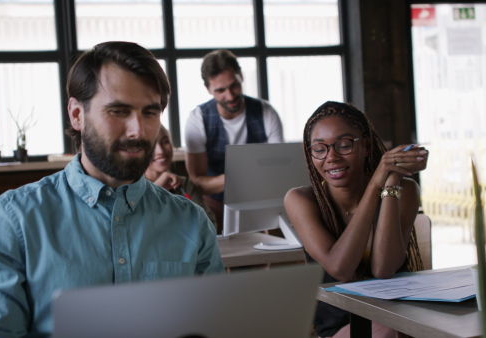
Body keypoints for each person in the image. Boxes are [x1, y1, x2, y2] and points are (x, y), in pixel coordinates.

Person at [0, 41, 225, 337]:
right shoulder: (13, 219)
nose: (138, 130)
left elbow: (217, 326)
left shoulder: (191, 222)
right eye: (119, 111)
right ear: (77, 115)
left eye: (150, 113)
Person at [284, 101, 428, 338]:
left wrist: (390, 183)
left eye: (344, 144)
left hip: (396, 318)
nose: (331, 157)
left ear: (367, 145)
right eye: (319, 149)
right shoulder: (301, 200)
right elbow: (340, 267)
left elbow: (384, 269)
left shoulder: (405, 189)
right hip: (339, 327)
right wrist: (375, 185)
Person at [184, 49, 284, 230]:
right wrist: (239, 177)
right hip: (214, 204)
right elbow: (197, 181)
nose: (230, 96)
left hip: (258, 202)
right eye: (220, 90)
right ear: (208, 89)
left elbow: (278, 170)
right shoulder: (197, 119)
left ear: (241, 77)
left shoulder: (266, 112)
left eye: (234, 86)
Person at [146, 124, 218, 229]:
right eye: (151, 145)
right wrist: (157, 188)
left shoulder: (183, 184)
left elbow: (210, 225)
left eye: (165, 142)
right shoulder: (131, 188)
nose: (160, 151)